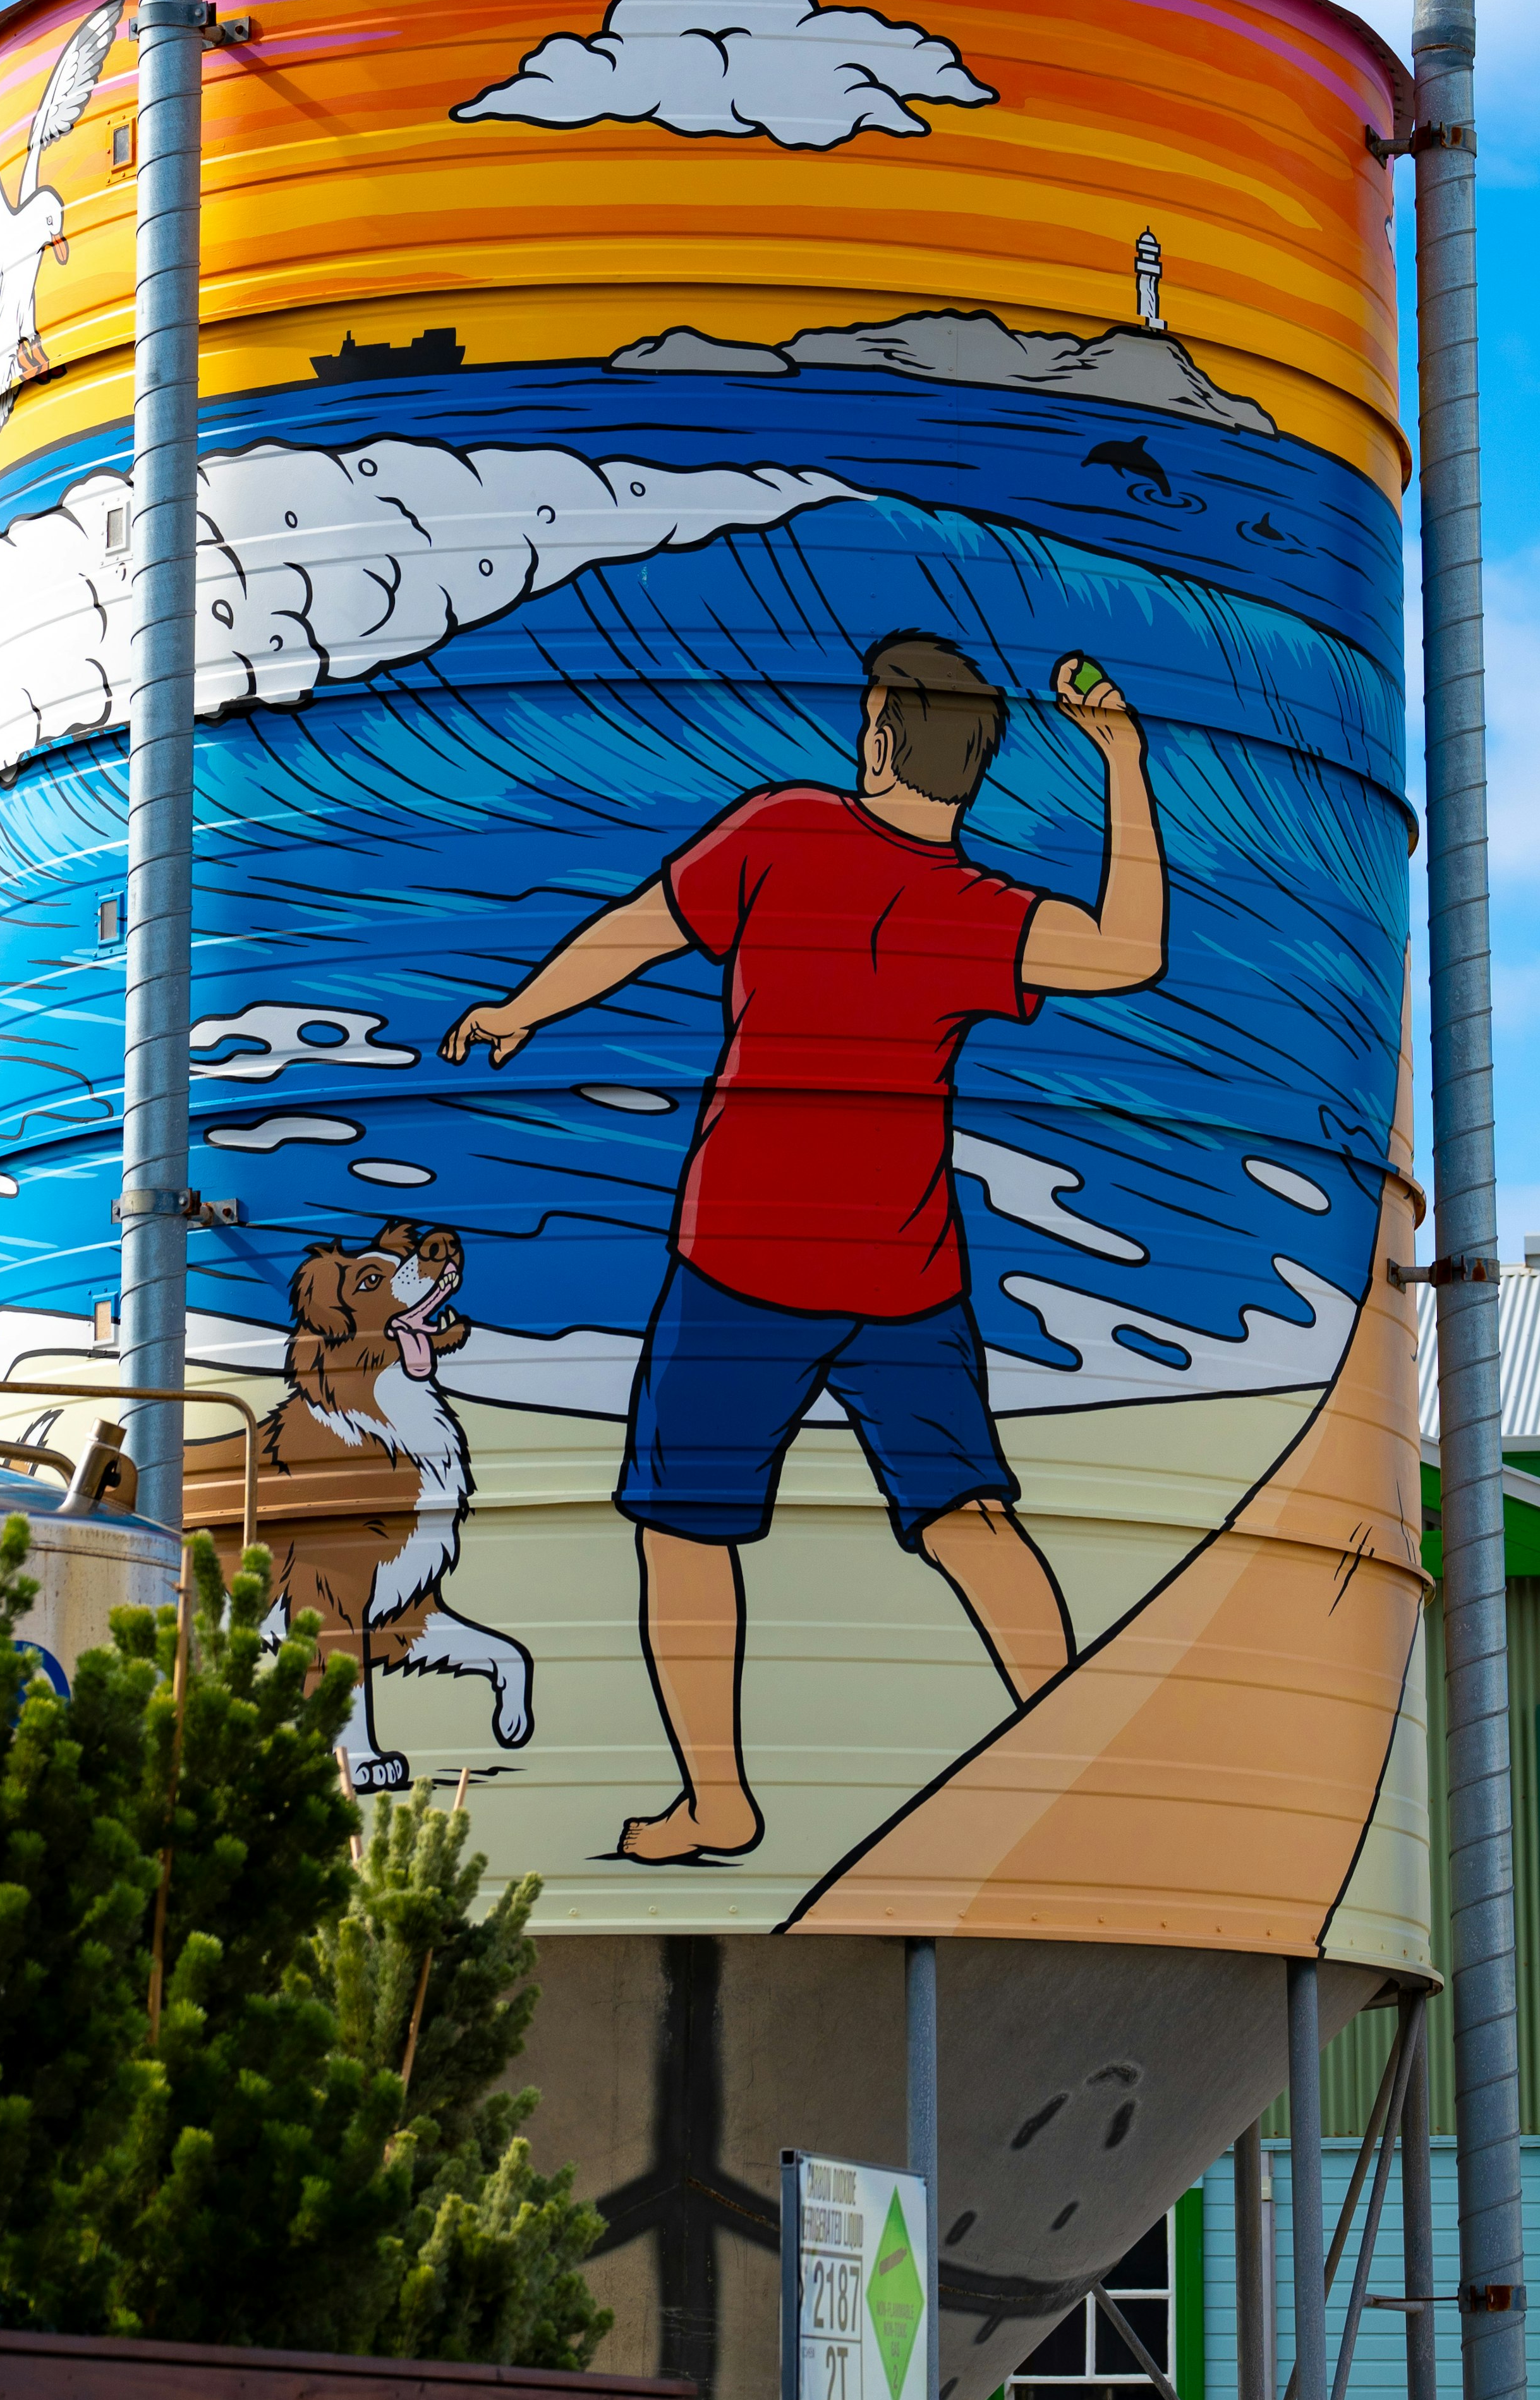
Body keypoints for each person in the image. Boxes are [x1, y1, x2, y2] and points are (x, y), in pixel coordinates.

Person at [440, 631, 1167, 1862]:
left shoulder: (782, 831)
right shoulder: (980, 911)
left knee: (684, 1528)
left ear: (879, 737)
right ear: (977, 770)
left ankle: (717, 1800)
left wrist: (520, 1009)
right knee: (969, 1518)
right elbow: (1133, 949)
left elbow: (637, 929)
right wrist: (1124, 760)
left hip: (747, 1259)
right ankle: (1075, 1771)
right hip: (905, 1271)